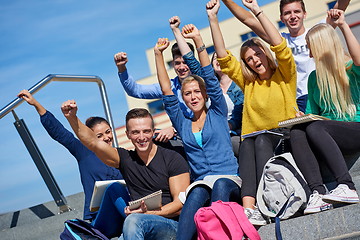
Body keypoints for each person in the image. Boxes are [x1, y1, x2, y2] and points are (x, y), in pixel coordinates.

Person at [207, 0, 297, 225]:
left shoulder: (284, 75)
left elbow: (280, 47)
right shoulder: (249, 83)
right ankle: (249, 208)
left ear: (265, 53)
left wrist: (257, 11)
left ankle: (267, 200)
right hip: (254, 141)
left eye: (258, 54)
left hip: (280, 137)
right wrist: (213, 19)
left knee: (259, 141)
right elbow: (223, 58)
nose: (255, 61)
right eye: (249, 59)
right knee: (247, 142)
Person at [155, 16, 241, 240]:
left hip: (229, 179)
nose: (193, 97)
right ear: (183, 97)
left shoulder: (218, 112)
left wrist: (198, 40)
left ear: (204, 94)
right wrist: (158, 55)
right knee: (194, 195)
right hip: (202, 181)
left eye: (196, 92)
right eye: (187, 93)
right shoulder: (182, 122)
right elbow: (166, 91)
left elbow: (210, 78)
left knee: (220, 186)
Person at [61, 103, 190, 239]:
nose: (141, 137)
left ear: (153, 131)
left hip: (172, 226)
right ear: (127, 134)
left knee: (133, 221)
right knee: (118, 196)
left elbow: (181, 206)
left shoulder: (173, 158)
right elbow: (93, 142)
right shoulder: (125, 159)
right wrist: (72, 117)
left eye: (146, 131)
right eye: (135, 132)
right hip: (139, 224)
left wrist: (147, 214)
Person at [220, 0, 351, 112]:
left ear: (304, 14)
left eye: (297, 11)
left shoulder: (318, 32)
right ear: (282, 18)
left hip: (323, 93)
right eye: (287, 13)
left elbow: (342, 4)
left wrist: (335, 13)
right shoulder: (280, 40)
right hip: (297, 101)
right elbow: (248, 20)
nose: (293, 16)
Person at [290, 9, 360, 215]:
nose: (310, 54)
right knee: (297, 131)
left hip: (355, 129)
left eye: (311, 48)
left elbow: (358, 59)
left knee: (316, 127)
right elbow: (314, 115)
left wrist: (343, 25)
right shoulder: (313, 79)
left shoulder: (350, 70)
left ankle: (347, 186)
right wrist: (301, 118)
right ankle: (318, 192)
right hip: (326, 133)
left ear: (322, 48)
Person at [17, 90, 123, 221]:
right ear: (89, 137)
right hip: (100, 215)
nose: (107, 138)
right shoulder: (84, 152)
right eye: (99, 136)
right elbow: (59, 132)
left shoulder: (121, 154)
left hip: (124, 209)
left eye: (108, 132)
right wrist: (36, 104)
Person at [114, 42, 197, 142]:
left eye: (185, 62)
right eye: (177, 63)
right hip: (184, 139)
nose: (181, 67)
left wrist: (173, 129)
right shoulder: (168, 86)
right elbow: (135, 91)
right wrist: (121, 68)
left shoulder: (203, 82)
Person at [211, 52, 244, 157]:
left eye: (221, 57)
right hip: (214, 134)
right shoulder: (210, 88)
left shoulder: (240, 83)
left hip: (235, 132)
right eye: (215, 58)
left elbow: (240, 112)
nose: (218, 60)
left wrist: (229, 126)